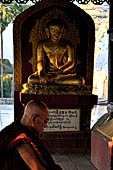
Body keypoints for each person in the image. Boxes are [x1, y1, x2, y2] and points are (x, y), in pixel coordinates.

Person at [0, 100, 62, 170]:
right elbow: (36, 168)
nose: (45, 125)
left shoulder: (21, 127)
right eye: (45, 121)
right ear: (33, 119)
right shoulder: (20, 139)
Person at [28, 18, 85, 86]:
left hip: (63, 74)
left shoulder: (67, 45)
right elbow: (40, 61)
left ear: (63, 31)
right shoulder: (42, 44)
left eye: (59, 31)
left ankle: (51, 82)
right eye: (53, 30)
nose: (56, 33)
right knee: (31, 79)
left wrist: (60, 70)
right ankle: (53, 81)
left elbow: (71, 61)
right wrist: (41, 72)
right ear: (47, 31)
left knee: (79, 81)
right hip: (48, 73)